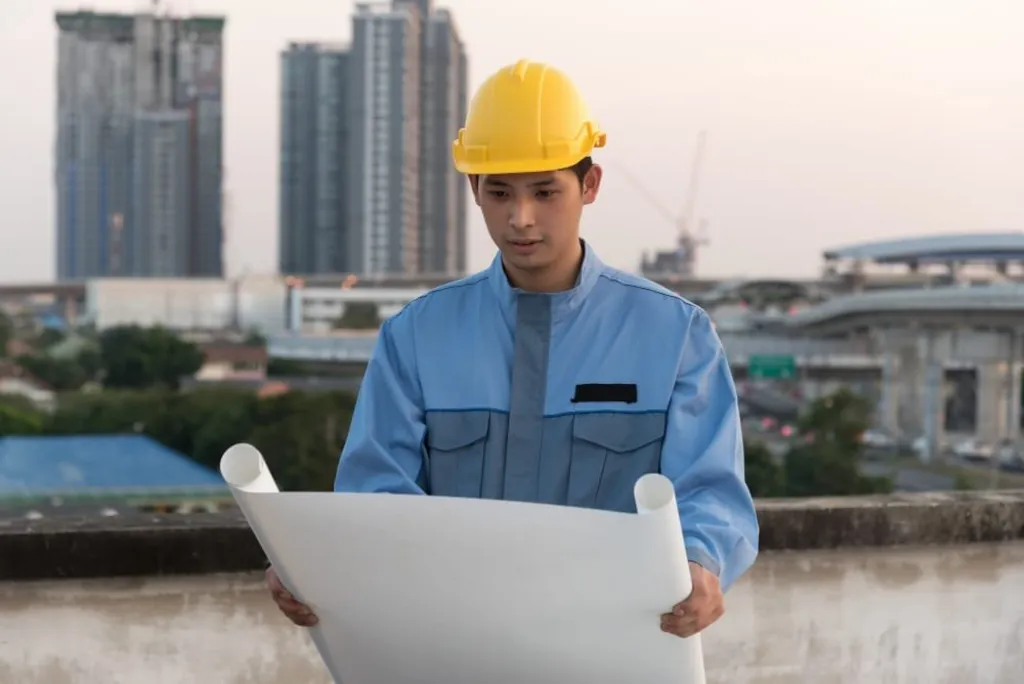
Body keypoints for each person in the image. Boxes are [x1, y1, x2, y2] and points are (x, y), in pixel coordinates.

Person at [267, 58, 759, 639]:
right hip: (455, 651)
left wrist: (702, 562)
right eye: (499, 192)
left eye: (545, 191)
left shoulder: (675, 335)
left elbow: (709, 491)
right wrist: (318, 561)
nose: (520, 219)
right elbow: (376, 498)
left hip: (613, 653)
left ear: (590, 184)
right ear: (475, 189)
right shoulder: (418, 337)